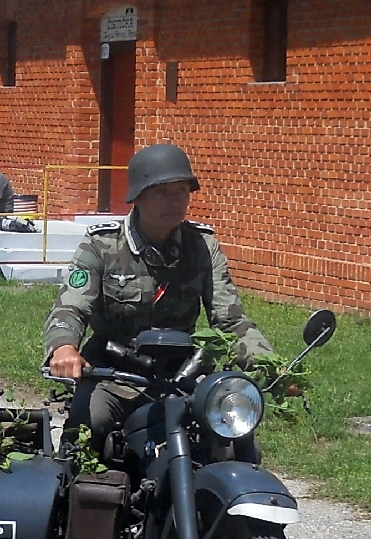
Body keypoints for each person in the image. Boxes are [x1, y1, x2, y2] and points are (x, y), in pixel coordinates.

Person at [44, 143, 275, 453]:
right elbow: (71, 307)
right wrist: (64, 348)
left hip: (183, 375)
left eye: (182, 191)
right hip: (114, 375)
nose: (174, 201)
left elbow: (230, 320)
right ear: (138, 196)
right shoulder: (102, 245)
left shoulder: (202, 246)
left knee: (237, 442)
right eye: (162, 192)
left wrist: (268, 364)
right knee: (86, 429)